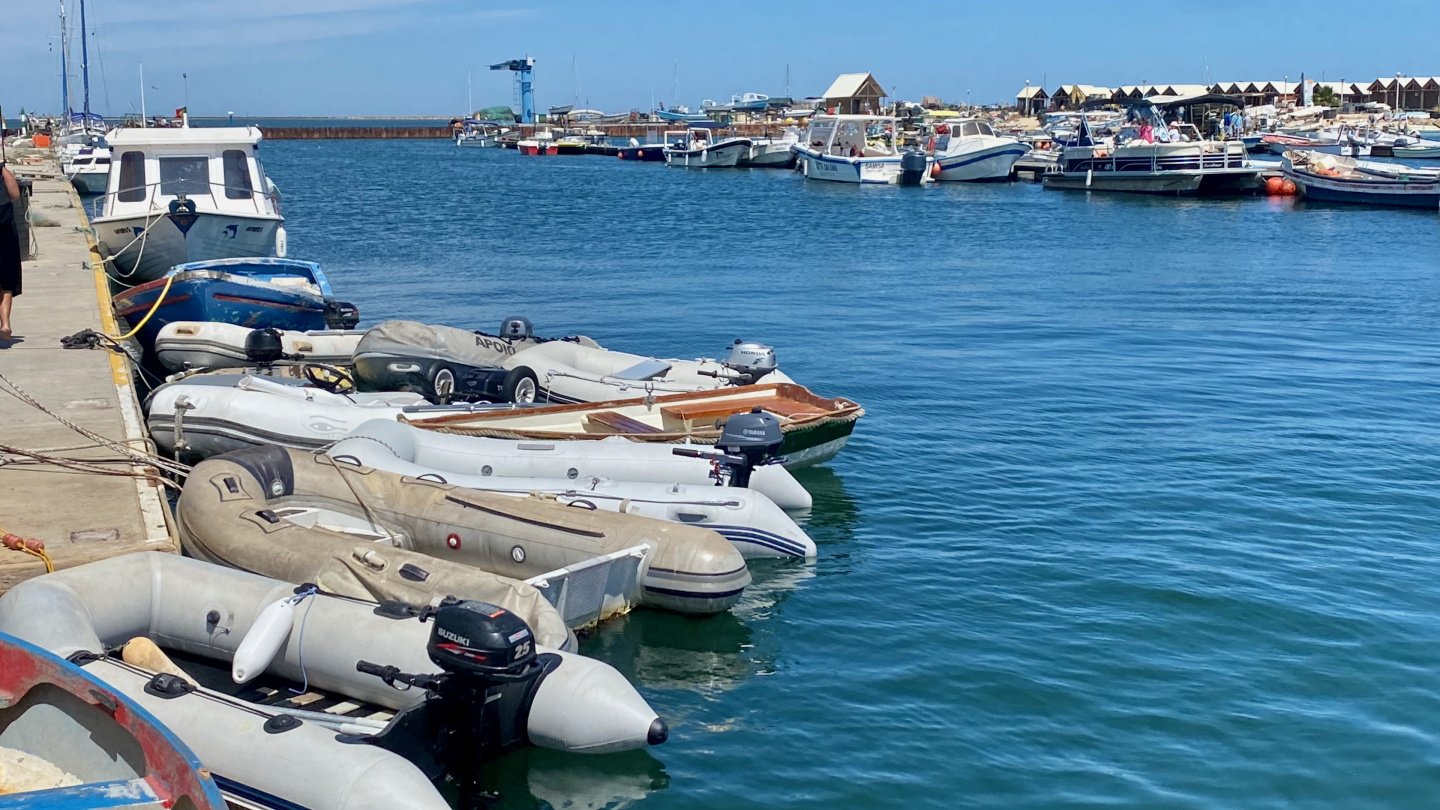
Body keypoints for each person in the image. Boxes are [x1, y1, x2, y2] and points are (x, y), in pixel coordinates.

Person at [0, 161, 21, 341]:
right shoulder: (1, 170)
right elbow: (15, 194)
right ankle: (5, 325)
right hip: (4, 231)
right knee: (5, 281)